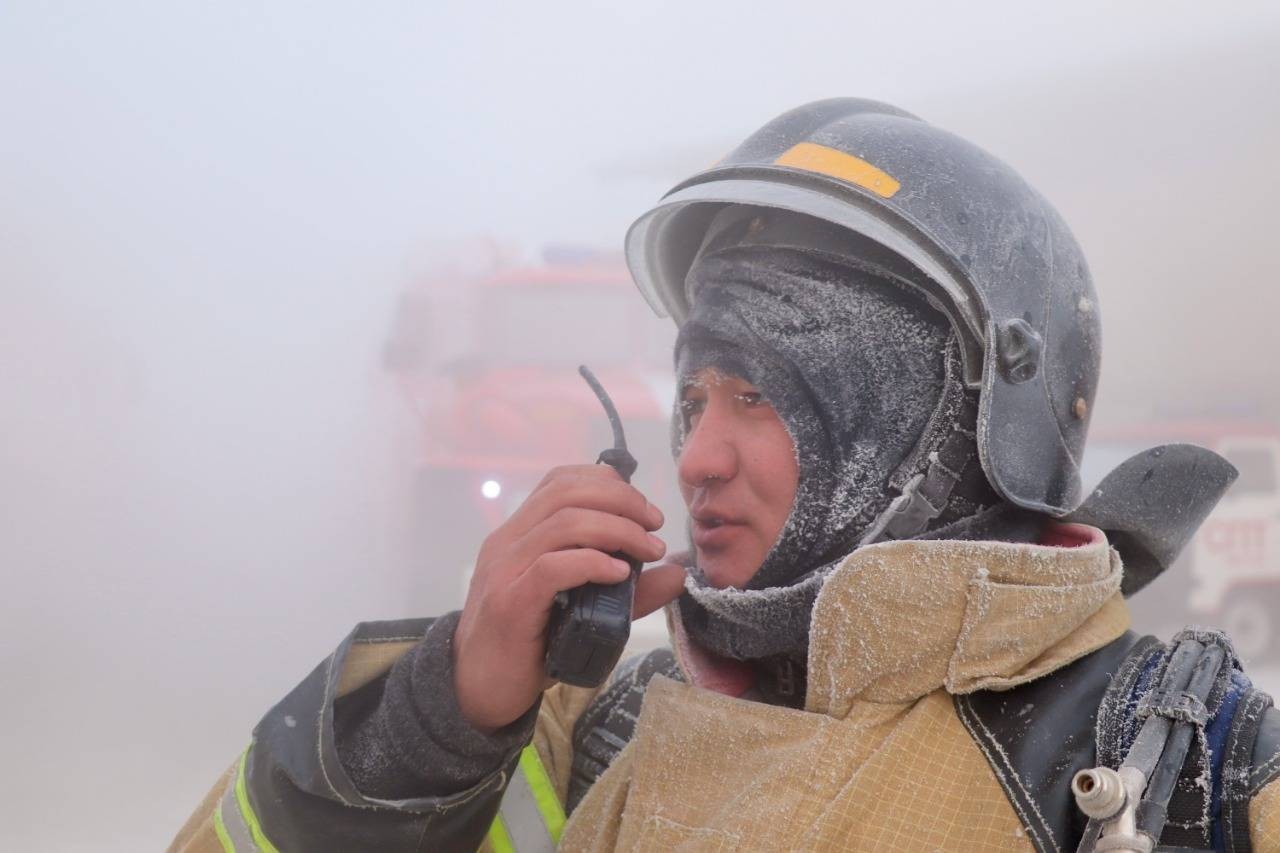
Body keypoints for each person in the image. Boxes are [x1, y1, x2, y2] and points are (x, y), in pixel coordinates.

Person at [171, 99, 1280, 853]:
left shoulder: (1188, 774)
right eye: (693, 395)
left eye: (759, 394)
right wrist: (438, 716)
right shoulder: (585, 736)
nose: (696, 452)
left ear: (952, 424)